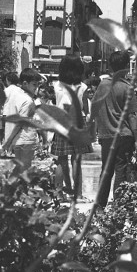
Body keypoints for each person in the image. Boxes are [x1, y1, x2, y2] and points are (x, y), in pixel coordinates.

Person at [91, 51, 137, 208]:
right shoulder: (127, 87)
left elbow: (94, 108)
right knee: (121, 170)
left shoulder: (102, 85)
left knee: (106, 170)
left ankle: (99, 206)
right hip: (124, 134)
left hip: (106, 135)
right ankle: (118, 205)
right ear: (126, 67)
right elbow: (132, 116)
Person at [52, 55, 93, 199]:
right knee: (76, 159)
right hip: (77, 120)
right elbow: (86, 108)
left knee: (61, 159)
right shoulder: (83, 86)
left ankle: (59, 194)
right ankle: (78, 194)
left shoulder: (56, 85)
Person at [2, 69, 41, 172]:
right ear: (25, 83)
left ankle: (14, 187)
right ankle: (13, 187)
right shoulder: (27, 100)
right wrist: (8, 141)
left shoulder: (17, 95)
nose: (36, 88)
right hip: (26, 139)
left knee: (19, 169)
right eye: (34, 85)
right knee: (24, 169)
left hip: (19, 140)